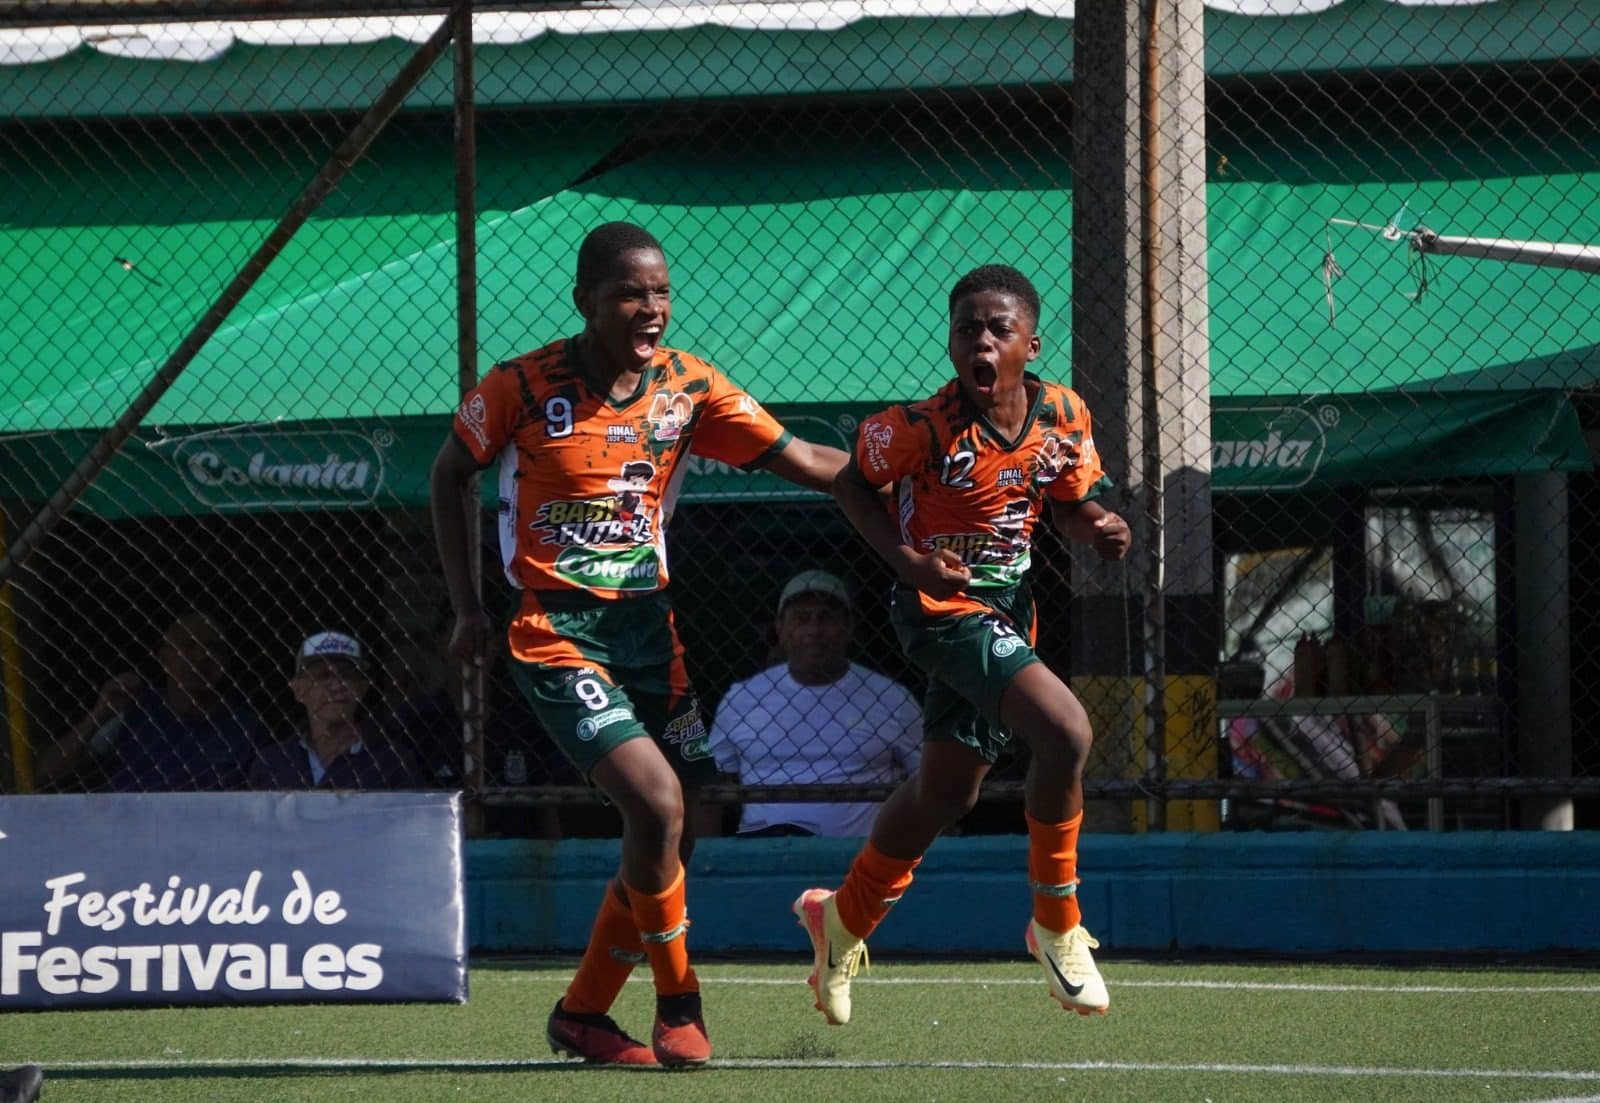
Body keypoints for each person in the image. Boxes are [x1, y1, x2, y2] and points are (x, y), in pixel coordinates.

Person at [430, 221, 847, 1068]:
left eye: (660, 291)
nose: (650, 307)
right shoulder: (520, 383)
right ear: (585, 299)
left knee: (675, 832)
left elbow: (801, 456)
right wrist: (469, 608)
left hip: (650, 632)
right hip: (553, 629)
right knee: (655, 806)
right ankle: (679, 1001)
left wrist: (904, 469)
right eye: (630, 291)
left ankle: (582, 1014)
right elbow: (447, 473)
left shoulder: (688, 387)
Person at [793, 264, 1132, 1028]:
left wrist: (1101, 528)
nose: (980, 340)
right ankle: (1056, 922)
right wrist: (906, 558)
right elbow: (852, 482)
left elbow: (1072, 504)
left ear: (1030, 343)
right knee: (1067, 731)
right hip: (937, 606)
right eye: (966, 328)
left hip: (1007, 611)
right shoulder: (917, 427)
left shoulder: (1064, 415)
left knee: (949, 794)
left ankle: (839, 919)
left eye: (997, 328)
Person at [709, 569, 922, 837]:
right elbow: (710, 784)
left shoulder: (892, 698)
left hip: (858, 853)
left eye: (827, 618)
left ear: (848, 628)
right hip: (760, 852)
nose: (814, 630)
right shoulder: (742, 698)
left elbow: (930, 785)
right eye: (801, 618)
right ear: (780, 629)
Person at [37, 612, 266, 793]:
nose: (201, 656)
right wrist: (97, 716)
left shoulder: (244, 725)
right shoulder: (133, 712)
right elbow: (46, 774)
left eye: (213, 648)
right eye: (189, 646)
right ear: (164, 658)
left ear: (226, 660)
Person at [249, 631, 424, 790]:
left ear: (362, 688)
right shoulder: (271, 762)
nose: (336, 685)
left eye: (347, 675)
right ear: (298, 689)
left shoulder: (393, 761)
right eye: (323, 676)